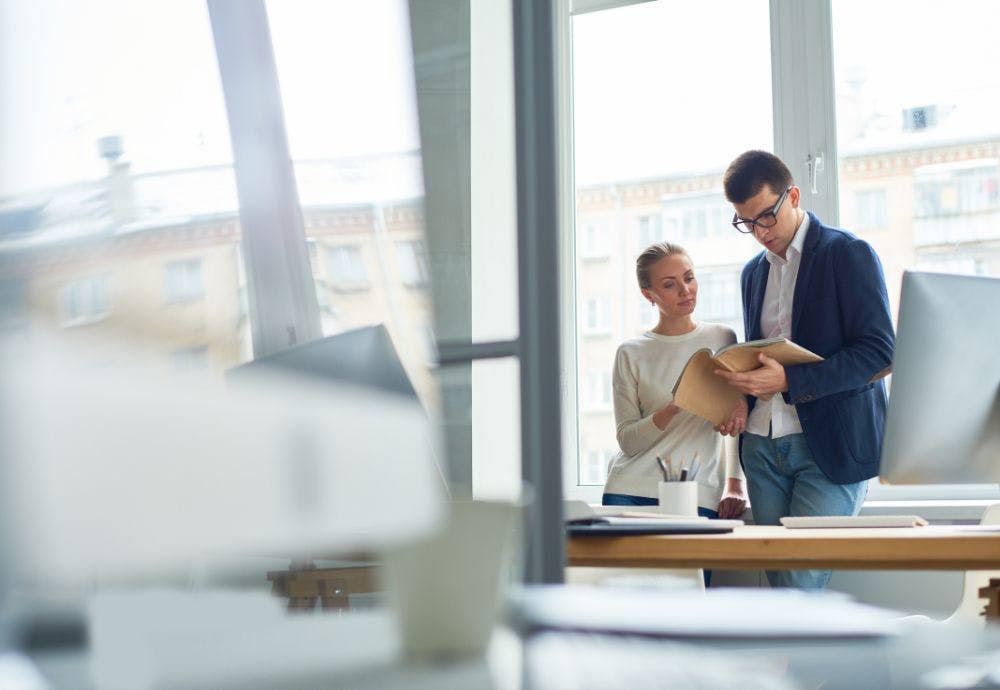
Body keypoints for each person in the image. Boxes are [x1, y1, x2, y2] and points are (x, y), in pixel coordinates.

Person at [716, 150, 895, 589]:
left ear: (793, 195)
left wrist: (790, 380)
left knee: (800, 582)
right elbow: (765, 353)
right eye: (746, 223)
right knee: (780, 588)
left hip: (830, 448)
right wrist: (742, 388)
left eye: (766, 217)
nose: (759, 233)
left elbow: (879, 353)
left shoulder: (847, 253)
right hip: (762, 446)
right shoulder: (752, 274)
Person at [603, 242, 747, 529]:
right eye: (670, 285)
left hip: (697, 494)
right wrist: (673, 408)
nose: (685, 290)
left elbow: (736, 422)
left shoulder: (722, 338)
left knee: (694, 576)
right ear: (649, 295)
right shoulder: (631, 352)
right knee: (629, 577)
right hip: (629, 491)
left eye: (689, 278)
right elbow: (628, 442)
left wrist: (735, 484)